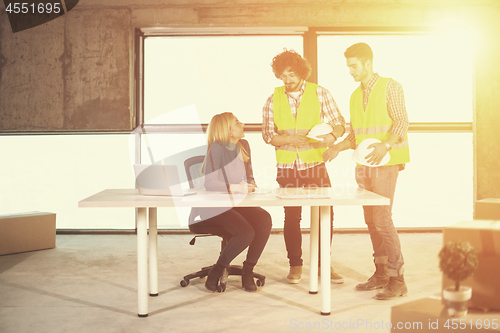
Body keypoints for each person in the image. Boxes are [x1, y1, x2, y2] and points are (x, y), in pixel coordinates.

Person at [323, 42, 410, 300]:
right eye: (348, 66)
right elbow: (356, 134)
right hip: (364, 164)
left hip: (386, 162)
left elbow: (402, 121)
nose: (350, 71)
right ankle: (381, 273)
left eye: (354, 66)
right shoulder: (353, 96)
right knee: (372, 221)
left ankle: (398, 279)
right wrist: (337, 148)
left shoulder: (391, 86)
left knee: (383, 219)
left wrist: (385, 145)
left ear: (368, 63)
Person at [262, 49, 346, 284]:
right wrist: (289, 140)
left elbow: (339, 123)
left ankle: (323, 264)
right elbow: (268, 135)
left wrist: (333, 137)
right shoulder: (273, 99)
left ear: (300, 72)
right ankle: (295, 265)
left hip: (315, 164)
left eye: (291, 74)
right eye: (283, 75)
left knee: (324, 214)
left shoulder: (320, 93)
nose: (287, 80)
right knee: (292, 216)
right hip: (288, 166)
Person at [190, 112, 272, 292]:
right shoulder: (217, 149)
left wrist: (251, 184)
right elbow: (209, 183)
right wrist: (235, 187)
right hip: (213, 208)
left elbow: (249, 174)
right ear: (228, 129)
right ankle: (216, 271)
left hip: (237, 204)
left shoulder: (244, 145)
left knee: (264, 219)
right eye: (236, 122)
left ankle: (248, 271)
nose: (241, 123)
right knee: (246, 232)